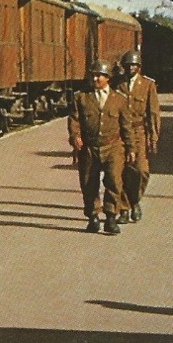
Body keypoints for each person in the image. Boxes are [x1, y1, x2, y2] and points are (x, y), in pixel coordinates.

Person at [67, 60, 134, 235]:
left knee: (114, 181)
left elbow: (126, 126)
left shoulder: (119, 99)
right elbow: (74, 120)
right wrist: (75, 136)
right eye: (93, 75)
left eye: (100, 76)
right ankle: (93, 217)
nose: (96, 79)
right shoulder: (81, 97)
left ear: (108, 78)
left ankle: (111, 217)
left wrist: (131, 148)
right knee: (89, 183)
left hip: (113, 147)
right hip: (89, 148)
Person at [116, 49, 161, 222]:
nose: (130, 68)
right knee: (120, 172)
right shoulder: (116, 84)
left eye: (134, 65)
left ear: (139, 67)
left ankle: (135, 201)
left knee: (141, 171)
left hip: (139, 132)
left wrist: (153, 137)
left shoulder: (148, 85)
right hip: (119, 133)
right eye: (128, 65)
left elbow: (153, 113)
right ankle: (124, 208)